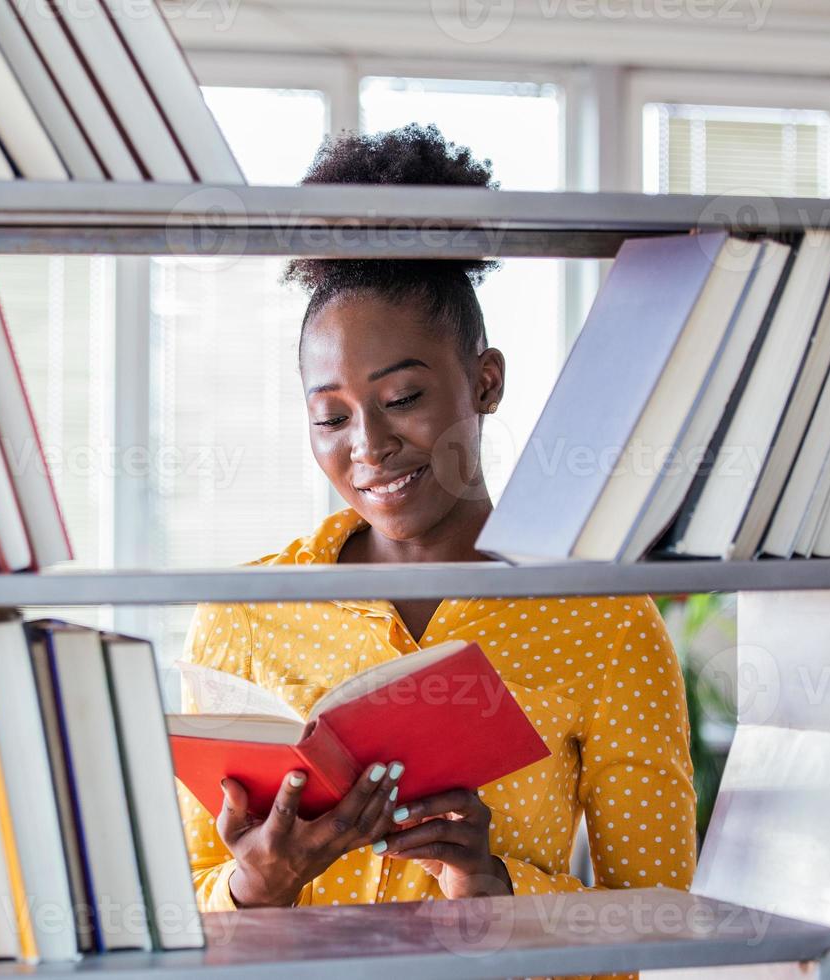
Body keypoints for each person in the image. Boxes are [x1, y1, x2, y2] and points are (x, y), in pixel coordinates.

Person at [177, 124, 696, 919]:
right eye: (331, 417)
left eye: (404, 399)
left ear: (484, 381)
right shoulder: (245, 613)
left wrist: (499, 896)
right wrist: (256, 885)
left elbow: (663, 922)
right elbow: (172, 914)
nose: (370, 447)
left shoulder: (605, 618)